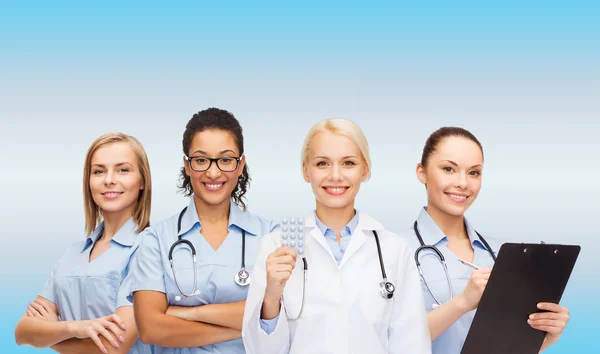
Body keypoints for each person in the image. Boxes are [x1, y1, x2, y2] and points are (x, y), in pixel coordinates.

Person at [242, 119, 431, 354]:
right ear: (306, 171)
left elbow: (412, 345)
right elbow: (260, 350)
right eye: (322, 163)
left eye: (348, 163)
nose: (335, 175)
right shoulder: (275, 246)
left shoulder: (394, 250)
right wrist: (271, 294)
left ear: (364, 170)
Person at [402, 126, 570, 353]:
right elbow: (388, 340)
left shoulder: (502, 254)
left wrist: (547, 335)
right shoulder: (393, 249)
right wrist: (462, 303)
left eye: (474, 172)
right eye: (449, 169)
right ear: (421, 172)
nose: (463, 183)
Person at [126, 108, 277, 353]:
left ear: (241, 165)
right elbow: (152, 329)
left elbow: (281, 312)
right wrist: (246, 323)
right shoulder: (156, 240)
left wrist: (190, 313)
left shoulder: (270, 235)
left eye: (226, 159)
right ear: (187, 165)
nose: (213, 172)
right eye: (201, 160)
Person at [14, 132, 153, 354]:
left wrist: (50, 334)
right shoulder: (73, 254)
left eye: (123, 170)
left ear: (142, 181)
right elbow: (22, 332)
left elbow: (114, 345)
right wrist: (75, 327)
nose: (109, 179)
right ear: (88, 182)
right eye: (99, 171)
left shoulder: (149, 249)